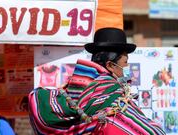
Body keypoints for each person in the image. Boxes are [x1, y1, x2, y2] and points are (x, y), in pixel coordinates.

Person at [29, 27, 166, 134]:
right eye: (125, 62)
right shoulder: (111, 95)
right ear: (110, 65)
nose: (127, 67)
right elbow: (143, 130)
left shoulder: (75, 89)